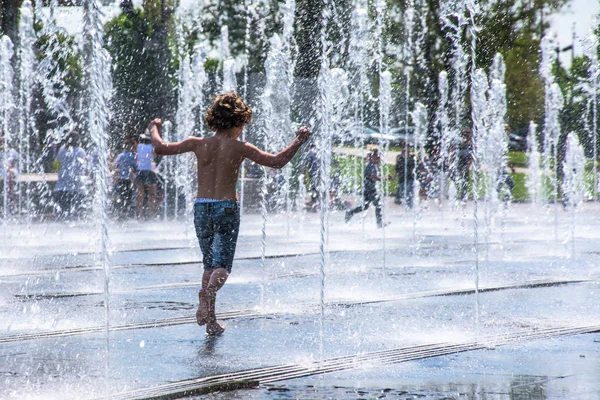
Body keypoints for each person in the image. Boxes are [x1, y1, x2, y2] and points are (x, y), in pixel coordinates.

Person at [148, 92, 311, 335]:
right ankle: (209, 294)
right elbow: (276, 162)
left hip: (201, 206)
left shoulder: (197, 143)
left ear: (213, 120)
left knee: (208, 265)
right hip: (226, 207)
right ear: (239, 122)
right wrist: (298, 140)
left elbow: (160, 148)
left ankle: (211, 321)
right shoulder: (240, 147)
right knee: (222, 265)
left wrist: (153, 127)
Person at [345, 146, 386, 228]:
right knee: (378, 204)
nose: (379, 159)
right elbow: (373, 177)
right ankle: (379, 224)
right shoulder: (370, 166)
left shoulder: (373, 166)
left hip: (369, 189)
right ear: (373, 157)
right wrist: (385, 178)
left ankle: (350, 212)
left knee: (365, 206)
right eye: (377, 157)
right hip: (369, 190)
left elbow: (375, 176)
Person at [54, 130, 87, 220]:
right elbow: (84, 167)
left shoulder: (61, 150)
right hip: (76, 188)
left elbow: (56, 165)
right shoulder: (81, 152)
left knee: (62, 218)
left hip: (61, 187)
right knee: (76, 218)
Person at [135, 132, 158, 219]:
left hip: (140, 171)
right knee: (152, 195)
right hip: (149, 171)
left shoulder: (138, 147)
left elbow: (136, 159)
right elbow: (154, 156)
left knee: (140, 195)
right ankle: (151, 214)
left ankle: (139, 215)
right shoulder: (152, 147)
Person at [113, 140, 137, 219]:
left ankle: (120, 213)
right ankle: (126, 212)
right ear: (130, 147)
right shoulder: (131, 156)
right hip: (128, 179)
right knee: (128, 196)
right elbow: (134, 167)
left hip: (121, 179)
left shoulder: (120, 155)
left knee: (122, 195)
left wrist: (116, 177)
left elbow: (115, 166)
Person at [0, 138, 18, 215]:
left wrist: (9, 168)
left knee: (9, 175)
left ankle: (11, 199)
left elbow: (14, 163)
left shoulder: (12, 152)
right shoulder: (1, 153)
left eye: (3, 142)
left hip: (10, 172)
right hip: (2, 172)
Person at [395, 144, 415, 208]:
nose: (405, 150)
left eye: (407, 148)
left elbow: (415, 167)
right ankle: (407, 204)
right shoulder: (399, 157)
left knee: (408, 192)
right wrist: (395, 175)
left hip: (410, 178)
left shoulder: (412, 157)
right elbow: (397, 167)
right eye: (404, 148)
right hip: (402, 178)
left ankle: (409, 207)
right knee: (402, 193)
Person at [303, 143, 321, 210]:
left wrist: (304, 174)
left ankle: (314, 202)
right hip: (317, 173)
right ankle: (316, 201)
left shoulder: (309, 154)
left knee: (313, 188)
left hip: (311, 174)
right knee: (316, 188)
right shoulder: (317, 154)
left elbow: (305, 164)